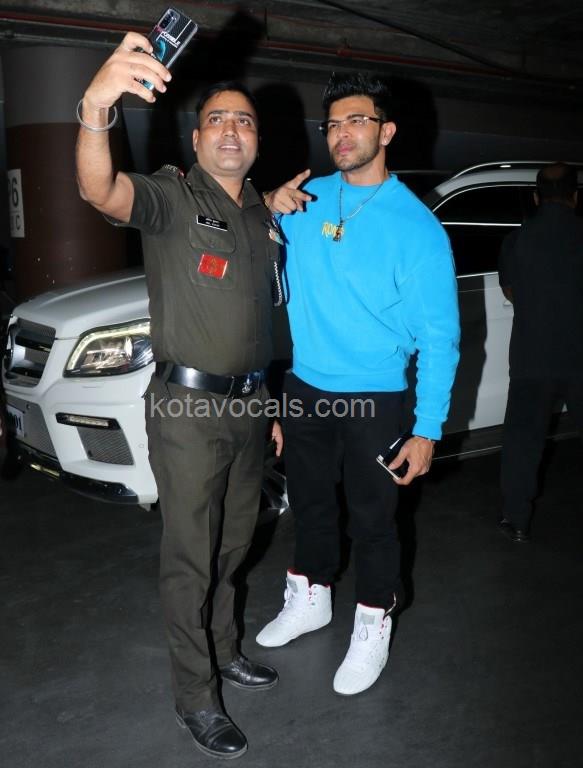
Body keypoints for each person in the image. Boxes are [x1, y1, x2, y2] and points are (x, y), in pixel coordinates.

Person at [76, 32, 283, 760]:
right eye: (218, 119)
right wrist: (97, 107)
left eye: (244, 121)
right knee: (190, 557)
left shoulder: (259, 215)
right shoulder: (170, 196)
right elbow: (100, 189)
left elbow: (257, 318)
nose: (231, 129)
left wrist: (268, 402)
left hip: (250, 408)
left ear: (256, 142)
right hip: (188, 413)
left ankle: (224, 649)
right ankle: (195, 696)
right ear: (197, 139)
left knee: (235, 544)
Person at [256, 72, 460, 695]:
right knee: (310, 504)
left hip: (376, 397)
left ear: (386, 131)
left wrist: (426, 430)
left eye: (357, 121)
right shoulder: (305, 199)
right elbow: (250, 252)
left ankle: (373, 621)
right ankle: (310, 598)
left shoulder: (417, 227)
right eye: (333, 124)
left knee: (374, 520)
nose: (341, 134)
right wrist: (265, 203)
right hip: (304, 389)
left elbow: (440, 339)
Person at [498, 162, 583, 543]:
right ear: (574, 196)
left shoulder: (517, 239)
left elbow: (510, 291)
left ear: (536, 198)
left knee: (523, 442)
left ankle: (516, 520)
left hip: (532, 357)